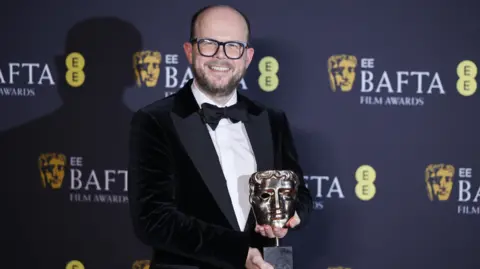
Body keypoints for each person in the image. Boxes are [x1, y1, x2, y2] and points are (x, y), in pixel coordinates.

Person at [128, 4, 313, 269]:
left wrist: (291, 214)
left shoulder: (272, 120)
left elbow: (300, 193)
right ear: (189, 51)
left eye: (233, 46)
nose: (220, 56)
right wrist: (238, 253)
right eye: (208, 44)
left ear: (248, 57)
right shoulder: (155, 120)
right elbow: (153, 220)